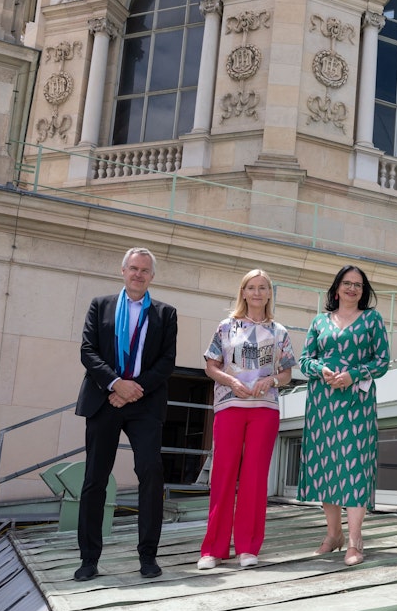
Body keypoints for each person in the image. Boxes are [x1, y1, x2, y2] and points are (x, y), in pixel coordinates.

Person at [74, 247, 178, 581]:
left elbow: (166, 361)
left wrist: (134, 389)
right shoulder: (100, 305)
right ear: (123, 271)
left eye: (144, 270)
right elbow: (88, 351)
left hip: (144, 403)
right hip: (104, 399)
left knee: (150, 473)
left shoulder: (166, 314)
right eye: (133, 268)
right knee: (95, 480)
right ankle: (89, 559)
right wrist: (116, 384)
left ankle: (148, 555)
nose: (138, 274)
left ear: (152, 276)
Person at [197, 270, 296, 570]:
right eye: (251, 287)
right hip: (229, 406)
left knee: (254, 477)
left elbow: (288, 373)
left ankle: (248, 547)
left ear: (269, 293)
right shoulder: (226, 327)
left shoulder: (279, 332)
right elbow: (211, 366)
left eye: (262, 288)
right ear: (243, 292)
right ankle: (212, 549)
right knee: (223, 475)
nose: (256, 292)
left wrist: (272, 382)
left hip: (264, 409)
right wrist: (230, 380)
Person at [298, 266, 390, 566]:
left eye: (358, 285)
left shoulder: (372, 319)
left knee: (355, 468)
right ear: (336, 288)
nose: (352, 289)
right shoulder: (319, 321)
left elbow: (382, 361)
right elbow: (304, 361)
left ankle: (355, 540)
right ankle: (333, 534)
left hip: (357, 403)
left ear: (364, 291)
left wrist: (353, 374)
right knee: (327, 466)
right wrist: (320, 370)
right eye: (347, 283)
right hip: (323, 403)